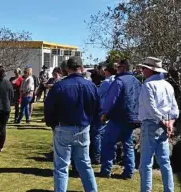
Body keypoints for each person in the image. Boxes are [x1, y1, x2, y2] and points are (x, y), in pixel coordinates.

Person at [44, 56, 99, 192]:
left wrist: (52, 124)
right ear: (81, 68)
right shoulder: (90, 86)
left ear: (67, 69)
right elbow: (98, 109)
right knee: (84, 164)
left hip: (64, 128)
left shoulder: (59, 86)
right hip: (83, 128)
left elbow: (49, 108)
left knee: (61, 166)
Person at [138, 57, 179, 192]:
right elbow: (174, 109)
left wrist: (164, 122)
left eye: (144, 68)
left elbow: (151, 108)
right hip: (165, 124)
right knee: (165, 161)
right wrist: (170, 123)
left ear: (150, 70)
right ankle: (169, 189)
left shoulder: (148, 85)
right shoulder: (168, 85)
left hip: (152, 123)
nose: (142, 71)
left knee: (146, 163)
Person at [100, 59, 141, 179]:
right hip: (132, 117)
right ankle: (129, 171)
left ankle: (106, 169)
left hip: (118, 117)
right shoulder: (137, 82)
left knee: (108, 142)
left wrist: (105, 113)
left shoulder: (119, 81)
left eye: (118, 67)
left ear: (123, 67)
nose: (117, 69)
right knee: (127, 144)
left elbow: (111, 99)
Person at [90, 64, 117, 164]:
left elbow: (97, 95)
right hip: (113, 110)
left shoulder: (106, 83)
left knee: (97, 133)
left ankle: (97, 156)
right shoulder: (117, 81)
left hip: (102, 109)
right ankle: (112, 156)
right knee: (110, 135)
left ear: (108, 71)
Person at [0, 65, 13, 152]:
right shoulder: (8, 83)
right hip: (5, 107)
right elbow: (11, 96)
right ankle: (1, 146)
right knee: (3, 128)